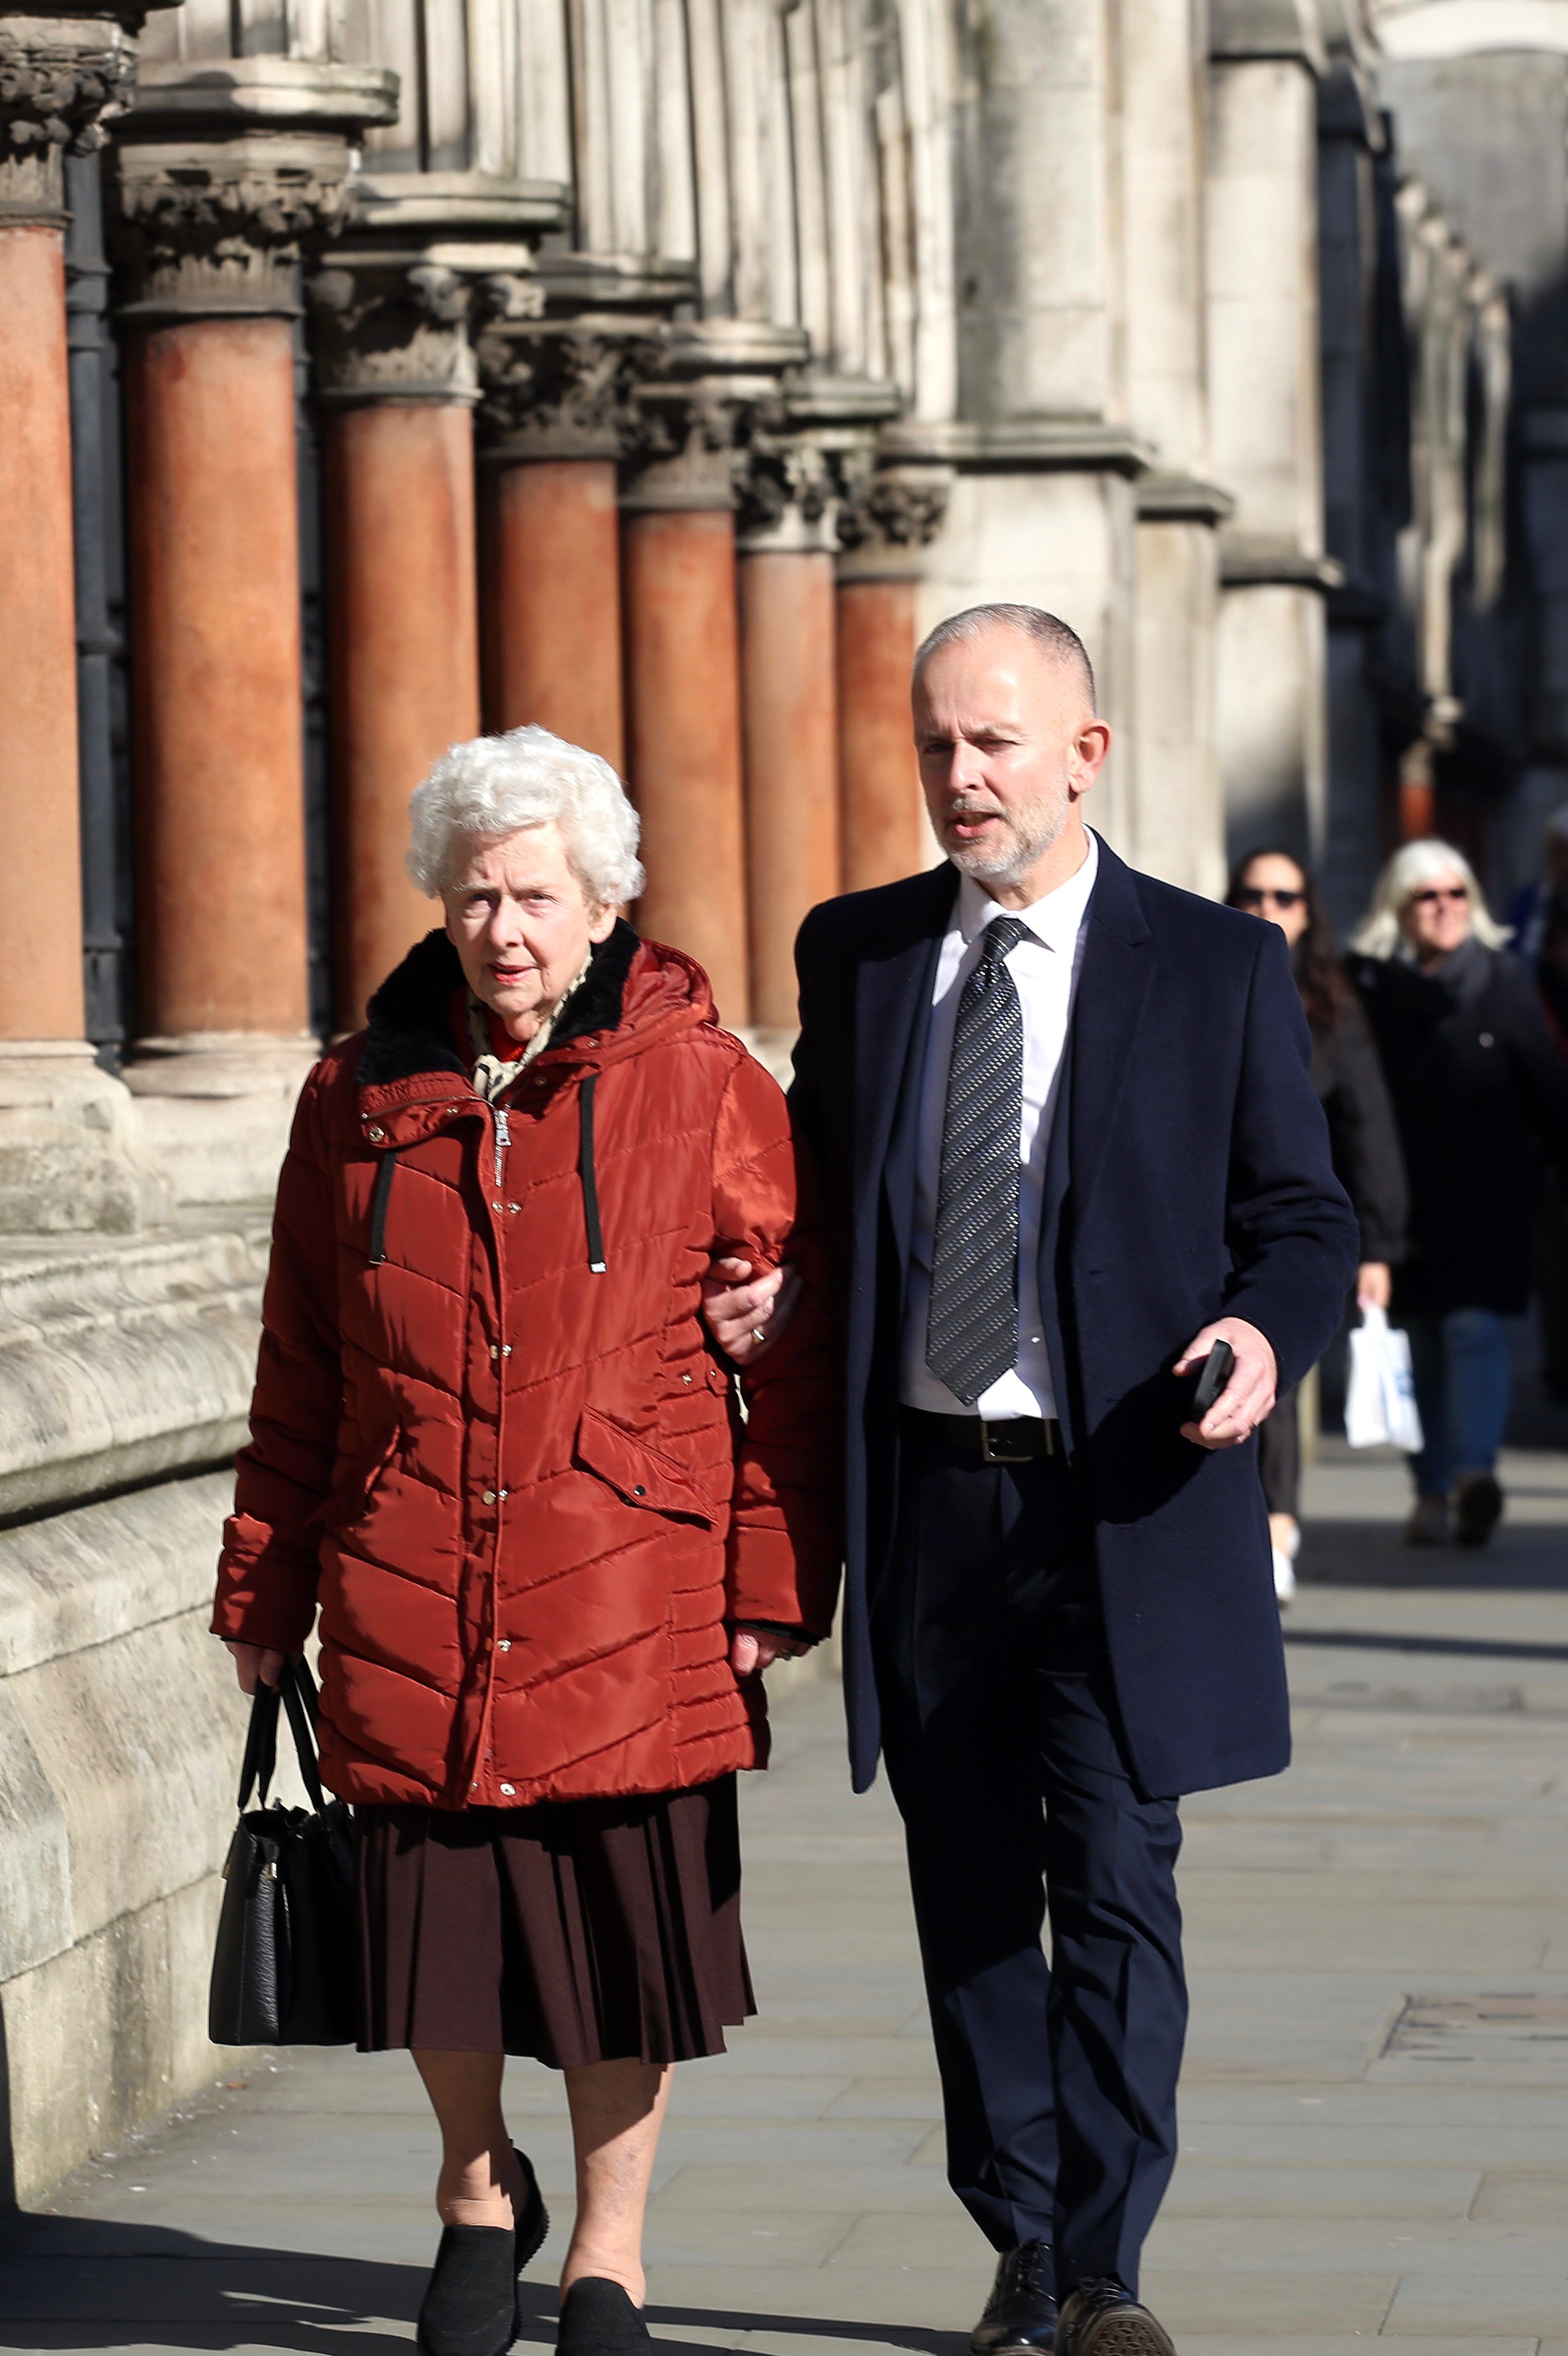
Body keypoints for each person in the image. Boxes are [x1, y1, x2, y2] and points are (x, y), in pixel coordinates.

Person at [710, 606, 1356, 2356]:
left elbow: (1299, 1222)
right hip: (929, 1501)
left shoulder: (1209, 967)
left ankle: (1100, 2264)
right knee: (968, 1886)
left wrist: (1253, 1341)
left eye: (992, 742)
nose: (957, 776)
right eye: (933, 742)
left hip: (1117, 1502)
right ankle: (1013, 2228)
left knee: (1120, 1878)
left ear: (1084, 753)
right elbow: (821, 1190)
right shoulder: (851, 958)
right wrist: (786, 1283)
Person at [212, 726, 837, 2356]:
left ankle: (609, 2255)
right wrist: (264, 1584)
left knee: (626, 1955)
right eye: (478, 891)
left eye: (537, 894)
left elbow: (794, 1352)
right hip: (414, 1571)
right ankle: (476, 2188)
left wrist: (769, 1582)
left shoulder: (705, 1084)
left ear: (603, 900)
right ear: (441, 897)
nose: (505, 926)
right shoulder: (354, 1095)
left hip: (632, 1585)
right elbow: (300, 1356)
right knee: (439, 1947)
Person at [1350, 838, 1568, 1544]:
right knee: (1417, 1347)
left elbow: (1547, 1090)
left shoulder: (1505, 980)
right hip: (1401, 1204)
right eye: (1426, 895)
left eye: (1455, 893)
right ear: (1399, 908)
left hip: (1489, 1201)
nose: (1444, 907)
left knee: (1473, 1333)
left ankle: (1473, 1473)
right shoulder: (1371, 990)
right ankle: (1430, 1489)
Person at [1225, 850, 1408, 1601]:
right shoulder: (1198, 979)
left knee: (1277, 1376)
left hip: (1289, 1224)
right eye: (1252, 892)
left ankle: (1277, 1526)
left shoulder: (1331, 1005)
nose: (1268, 906)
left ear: (1307, 911)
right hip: (1206, 1218)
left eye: (1286, 895)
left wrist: (1377, 1243)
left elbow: (1367, 1125)